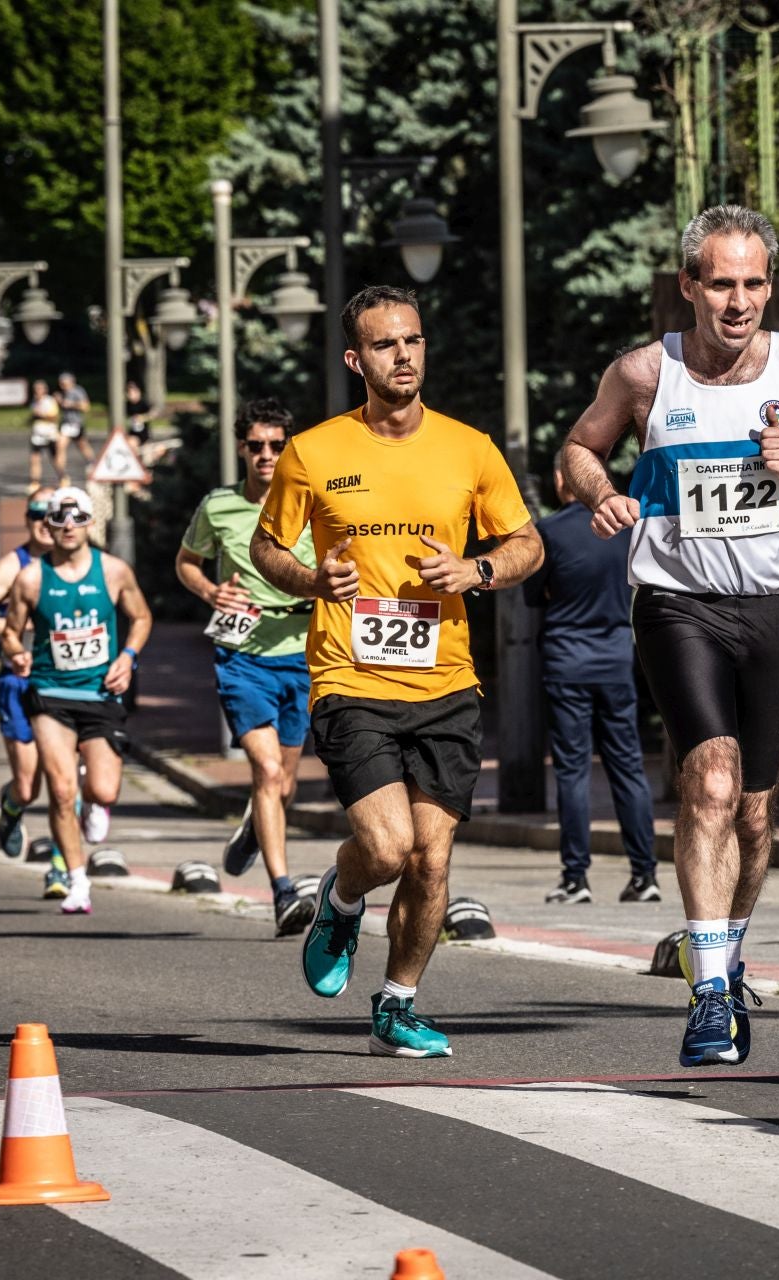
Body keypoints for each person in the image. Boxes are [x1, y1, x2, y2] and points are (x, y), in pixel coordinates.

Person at [560, 205, 779, 1069]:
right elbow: (579, 450)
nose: (737, 302)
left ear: (768, 286)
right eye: (720, 283)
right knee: (708, 783)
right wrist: (602, 495)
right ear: (689, 286)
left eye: (753, 284)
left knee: (755, 808)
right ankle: (707, 994)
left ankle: (729, 951)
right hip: (676, 603)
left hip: (773, 607)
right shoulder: (641, 373)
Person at [251, 284, 542, 1059]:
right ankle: (342, 898)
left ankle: (397, 1004)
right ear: (357, 358)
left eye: (412, 339)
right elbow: (266, 548)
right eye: (385, 344)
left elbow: (526, 543)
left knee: (433, 856)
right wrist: (315, 581)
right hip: (352, 675)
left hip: (446, 682)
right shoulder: (314, 451)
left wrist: (475, 571)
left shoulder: (469, 448)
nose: (403, 354)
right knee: (386, 847)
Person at [176, 398, 319, 936]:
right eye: (256, 445)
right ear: (242, 448)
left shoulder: (312, 503)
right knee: (268, 771)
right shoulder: (219, 506)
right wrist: (212, 591)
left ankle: (254, 828)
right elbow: (186, 563)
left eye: (276, 446)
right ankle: (283, 892)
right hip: (242, 657)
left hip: (303, 653)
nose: (266, 455)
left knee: (284, 787)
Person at [1, 486, 150, 915]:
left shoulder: (114, 572)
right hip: (50, 693)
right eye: (60, 519)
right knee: (63, 791)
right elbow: (11, 630)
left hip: (100, 693)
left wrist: (128, 656)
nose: (69, 527)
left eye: (78, 518)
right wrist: (16, 651)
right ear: (47, 525)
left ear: (91, 523)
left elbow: (141, 617)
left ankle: (95, 804)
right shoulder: (30, 578)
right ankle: (76, 880)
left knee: (103, 788)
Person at [524, 465, 660, 906]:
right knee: (628, 766)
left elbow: (532, 596)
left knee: (572, 770)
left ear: (562, 481)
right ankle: (645, 875)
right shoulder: (625, 528)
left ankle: (576, 878)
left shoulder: (548, 531)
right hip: (618, 658)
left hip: (566, 661)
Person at [0, 487, 57, 859]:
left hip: (66, 681)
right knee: (28, 785)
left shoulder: (82, 563)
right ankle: (12, 806)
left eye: (53, 514)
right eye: (37, 514)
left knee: (65, 783)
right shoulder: (13, 565)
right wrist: (15, 632)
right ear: (27, 520)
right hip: (18, 681)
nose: (46, 523)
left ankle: (63, 866)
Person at [57, 374, 96, 471]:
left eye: (64, 384)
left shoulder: (78, 391)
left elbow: (85, 407)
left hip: (76, 424)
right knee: (60, 446)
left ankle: (93, 464)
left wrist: (71, 404)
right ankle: (62, 474)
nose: (62, 386)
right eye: (61, 384)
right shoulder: (63, 393)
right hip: (66, 423)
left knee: (83, 446)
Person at [28, 381, 62, 487]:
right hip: (37, 435)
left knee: (54, 459)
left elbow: (54, 417)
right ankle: (35, 482)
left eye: (39, 389)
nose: (37, 391)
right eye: (35, 389)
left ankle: (62, 476)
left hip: (49, 435)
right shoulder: (34, 402)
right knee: (34, 459)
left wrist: (41, 415)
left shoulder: (49, 401)